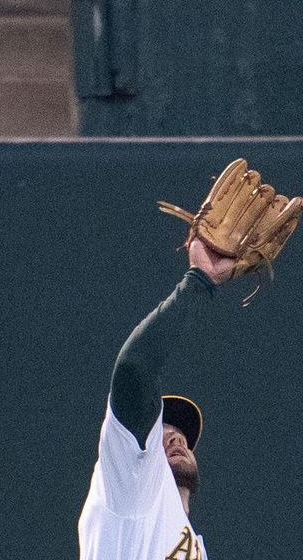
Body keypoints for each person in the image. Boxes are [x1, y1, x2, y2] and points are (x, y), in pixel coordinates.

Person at [78, 238, 237, 560]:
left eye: (179, 434)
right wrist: (199, 280)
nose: (176, 436)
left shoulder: (186, 538)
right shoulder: (131, 485)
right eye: (159, 434)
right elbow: (134, 368)